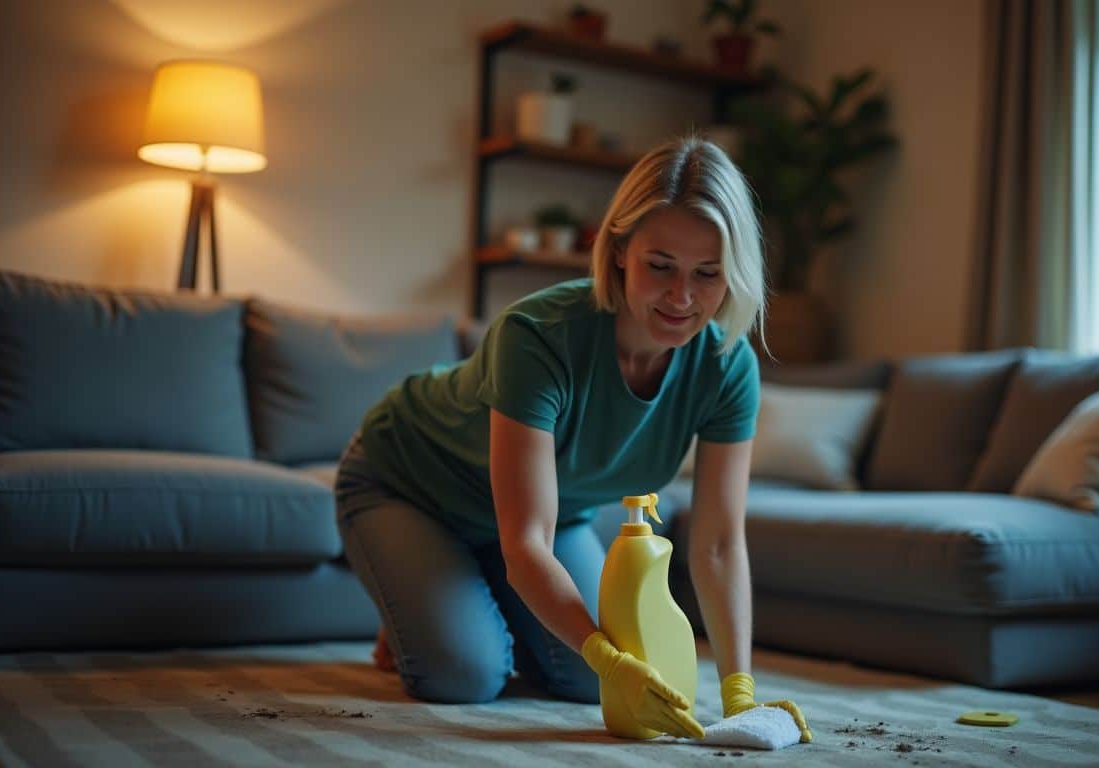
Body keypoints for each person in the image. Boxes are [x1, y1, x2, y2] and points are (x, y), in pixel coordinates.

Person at [334, 135, 812, 742]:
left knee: (593, 685)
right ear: (617, 252)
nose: (682, 298)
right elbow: (526, 542)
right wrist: (606, 654)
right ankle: (424, 590)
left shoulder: (727, 365)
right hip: (406, 482)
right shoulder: (537, 335)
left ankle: (455, 588)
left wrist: (740, 692)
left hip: (545, 517)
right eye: (659, 266)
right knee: (466, 674)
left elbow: (717, 544)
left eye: (708, 275)